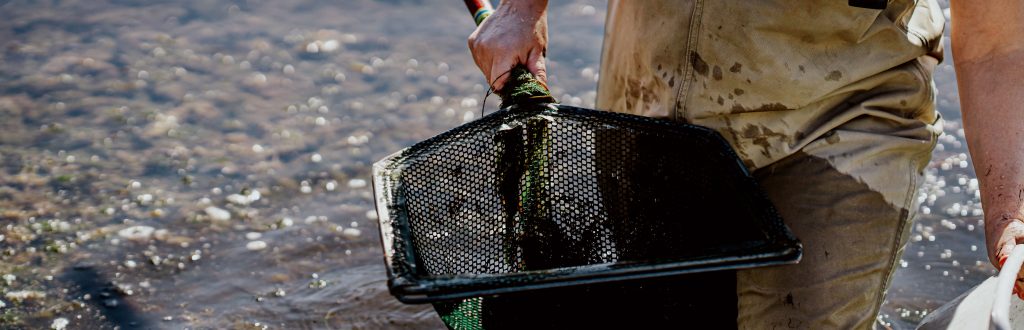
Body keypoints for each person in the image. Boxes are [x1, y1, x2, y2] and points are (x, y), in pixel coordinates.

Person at [467, 0, 1024, 328]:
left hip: (846, 115)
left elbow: (998, 35)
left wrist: (1008, 208)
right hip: (650, 100)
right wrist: (522, 8)